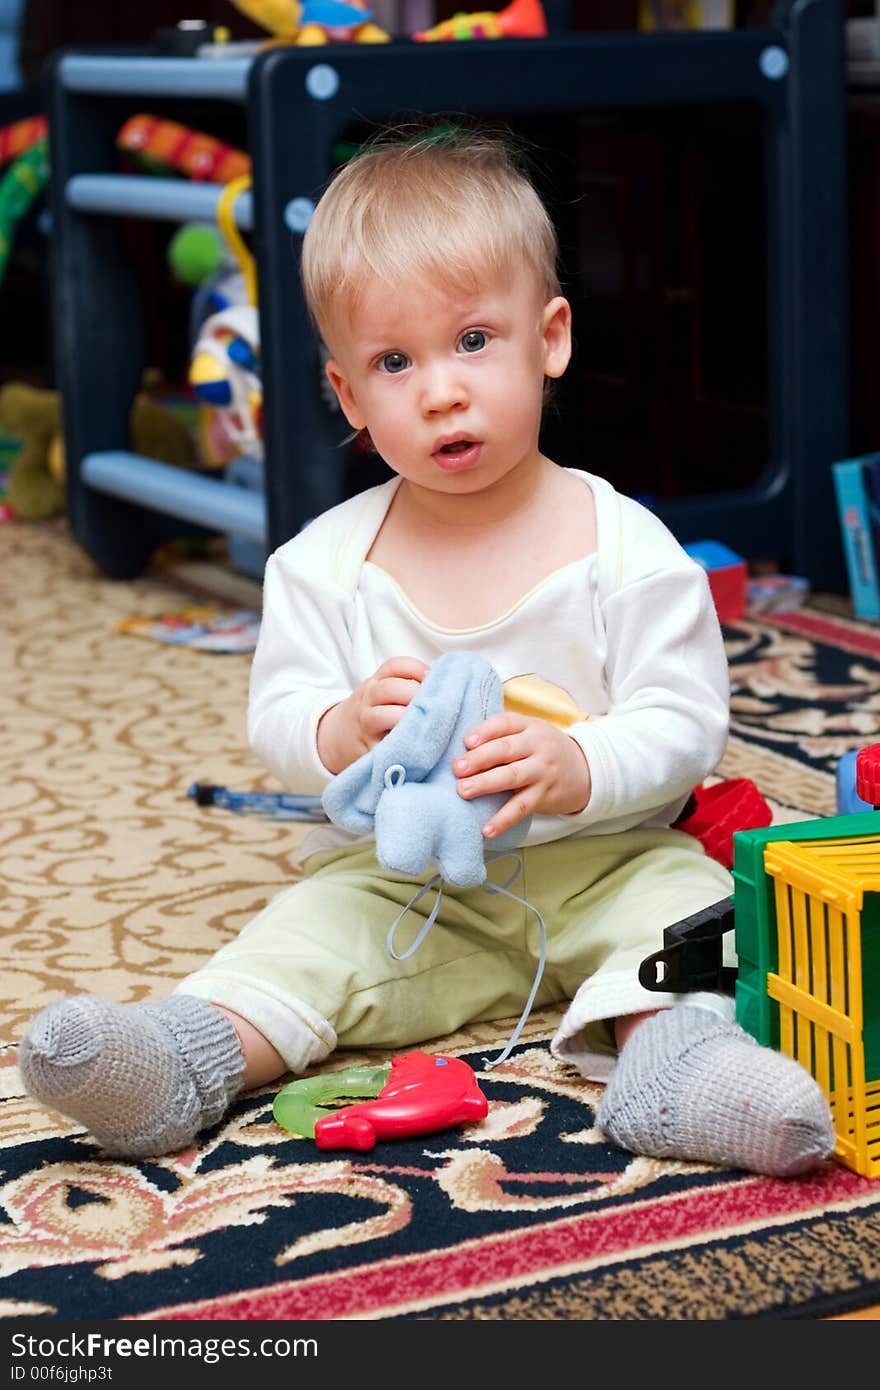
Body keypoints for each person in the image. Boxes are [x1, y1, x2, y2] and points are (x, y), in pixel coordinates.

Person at [20, 125, 834, 1176]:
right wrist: (342, 724)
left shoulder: (622, 544)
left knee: (692, 922)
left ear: (550, 338)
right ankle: (184, 1054)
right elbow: (279, 719)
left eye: (473, 341)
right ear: (350, 398)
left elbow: (683, 718)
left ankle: (673, 1069)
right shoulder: (323, 565)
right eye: (394, 362)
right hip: (407, 884)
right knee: (307, 932)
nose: (440, 390)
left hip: (608, 857)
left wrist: (580, 765)